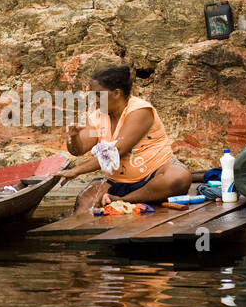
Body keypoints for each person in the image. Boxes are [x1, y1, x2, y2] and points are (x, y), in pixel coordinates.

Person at [55, 65, 192, 205]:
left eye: (98, 95)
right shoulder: (96, 117)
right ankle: (112, 203)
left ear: (116, 93)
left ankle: (123, 200)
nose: (95, 100)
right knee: (85, 201)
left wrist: (77, 170)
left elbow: (117, 151)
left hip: (154, 176)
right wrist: (73, 137)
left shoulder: (140, 110)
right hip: (116, 182)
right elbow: (79, 150)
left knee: (178, 178)